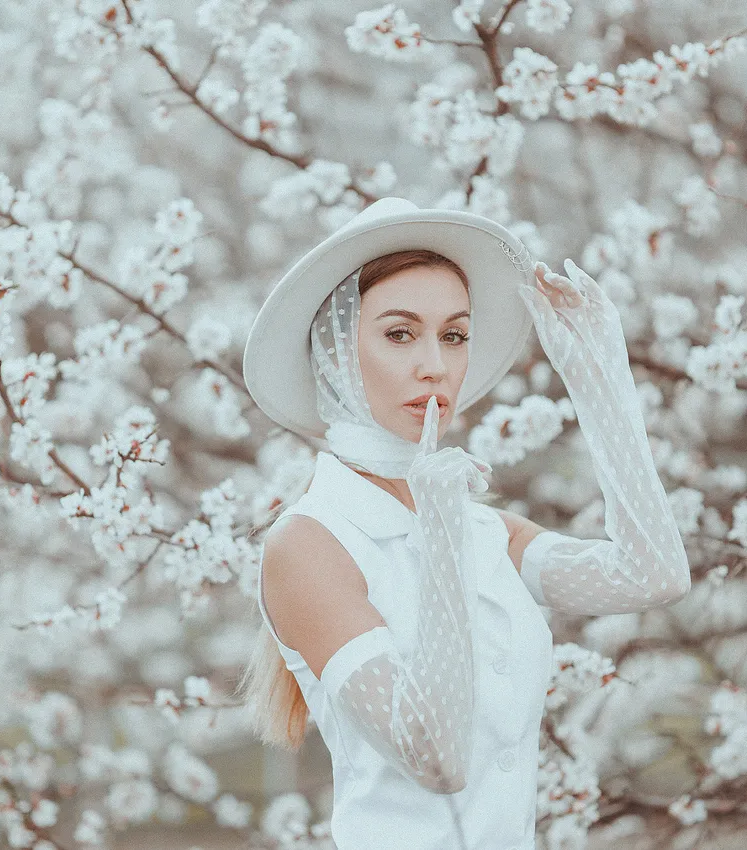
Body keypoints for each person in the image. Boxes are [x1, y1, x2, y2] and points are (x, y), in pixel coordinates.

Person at [237, 197, 692, 850]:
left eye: (454, 334)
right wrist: (440, 534)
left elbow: (652, 576)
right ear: (336, 352)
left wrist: (599, 384)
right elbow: (435, 758)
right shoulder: (309, 544)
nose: (436, 365)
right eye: (400, 333)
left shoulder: (486, 531)